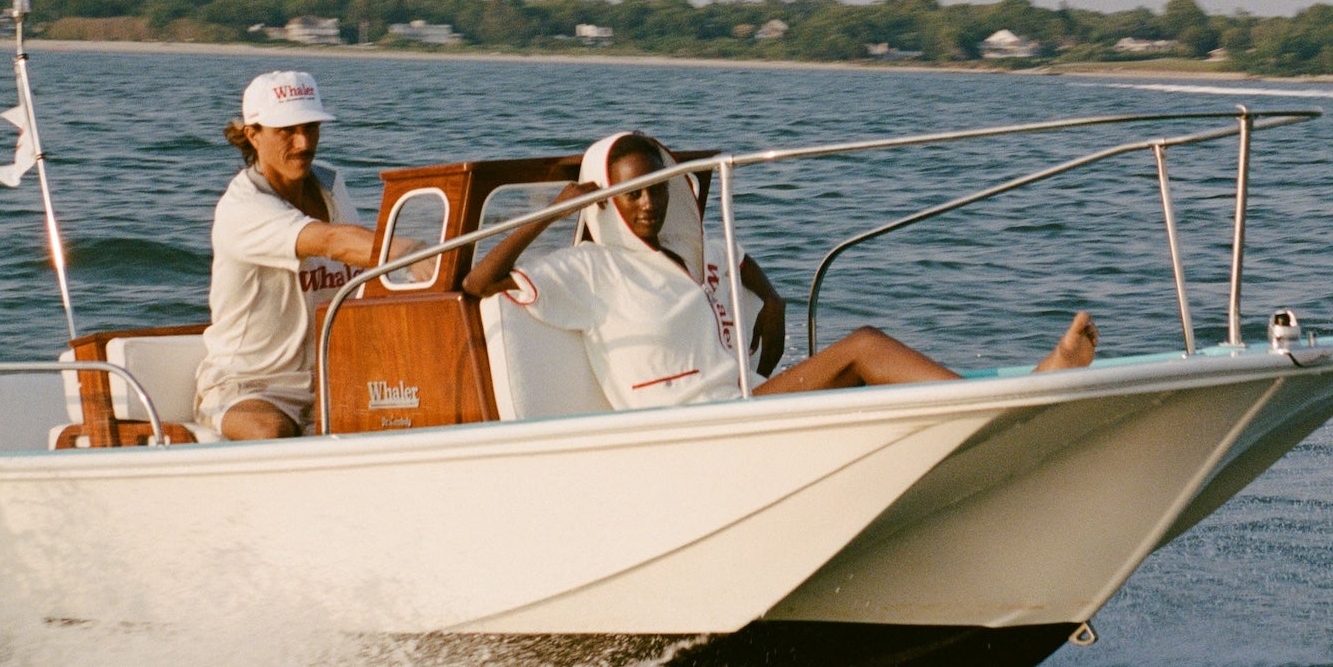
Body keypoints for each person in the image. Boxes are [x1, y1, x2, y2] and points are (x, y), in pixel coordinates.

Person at [461, 129, 1093, 410]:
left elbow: (731, 257)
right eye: (631, 194)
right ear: (606, 198)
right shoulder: (590, 269)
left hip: (735, 408)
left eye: (655, 187)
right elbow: (477, 284)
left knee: (862, 386)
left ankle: (1010, 398)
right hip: (683, 432)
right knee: (863, 348)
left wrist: (773, 300)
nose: (648, 203)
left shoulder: (681, 255)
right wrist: (554, 212)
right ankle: (1005, 403)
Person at [193, 70, 383, 440]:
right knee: (271, 431)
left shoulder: (333, 185)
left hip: (333, 383)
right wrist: (416, 252)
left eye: (311, 128)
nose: (303, 143)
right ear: (253, 134)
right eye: (287, 131)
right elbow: (332, 242)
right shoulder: (242, 208)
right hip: (251, 388)